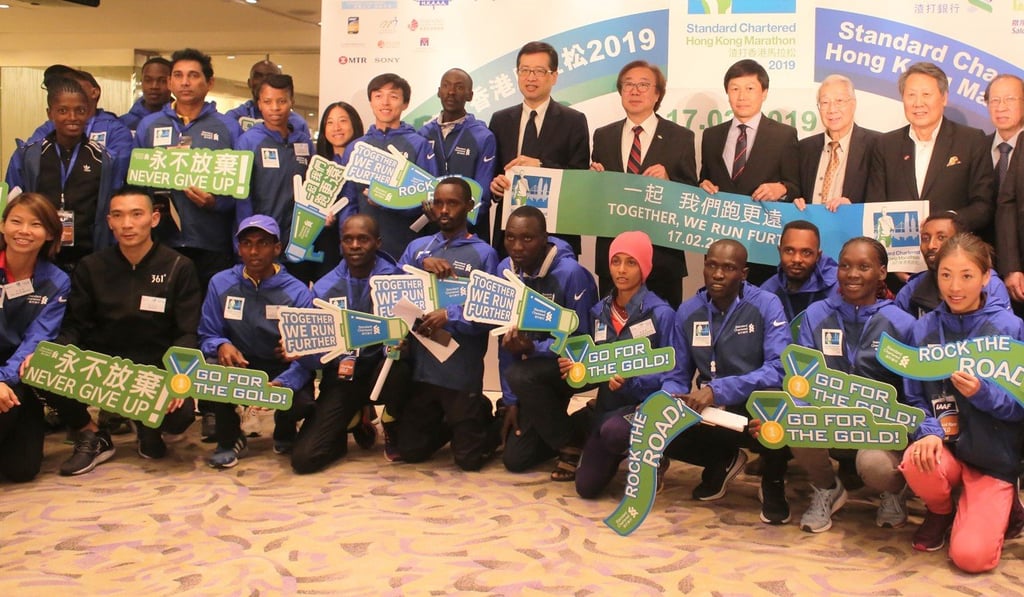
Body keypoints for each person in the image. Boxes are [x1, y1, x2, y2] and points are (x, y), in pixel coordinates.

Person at [39, 185, 200, 475]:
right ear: (109, 221)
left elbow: (187, 332)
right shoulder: (91, 267)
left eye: (136, 214)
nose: (127, 224)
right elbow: (75, 325)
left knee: (180, 416)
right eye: (119, 216)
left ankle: (147, 424)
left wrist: (179, 374)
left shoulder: (179, 266)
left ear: (154, 218)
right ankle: (92, 434)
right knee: (43, 366)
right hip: (102, 368)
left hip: (155, 369)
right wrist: (55, 354)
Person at [900, 233, 1024, 572]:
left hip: (992, 459)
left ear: (986, 277)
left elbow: (1020, 407)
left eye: (967, 275)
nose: (955, 287)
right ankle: (942, 512)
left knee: (971, 558)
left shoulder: (1010, 329)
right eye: (945, 275)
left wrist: (983, 394)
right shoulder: (923, 329)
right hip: (947, 448)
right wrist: (926, 431)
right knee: (916, 459)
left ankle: (1005, 503)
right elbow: (913, 396)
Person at [792, 237, 919, 532]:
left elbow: (913, 392)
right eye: (846, 266)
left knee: (876, 467)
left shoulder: (901, 323)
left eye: (864, 267)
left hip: (878, 428)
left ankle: (893, 492)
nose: (852, 274)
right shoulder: (817, 314)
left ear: (882, 273)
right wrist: (793, 414)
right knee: (794, 424)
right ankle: (827, 488)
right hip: (828, 417)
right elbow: (802, 378)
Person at [663, 239, 792, 524]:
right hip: (713, 409)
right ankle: (720, 462)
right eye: (712, 266)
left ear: (743, 273)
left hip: (753, 404)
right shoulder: (688, 311)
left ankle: (773, 482)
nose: (718, 274)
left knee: (777, 406)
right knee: (659, 418)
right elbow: (677, 374)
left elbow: (780, 368)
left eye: (729, 268)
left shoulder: (766, 304)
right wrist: (666, 399)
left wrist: (718, 389)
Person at [385, 177, 498, 470]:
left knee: (469, 462)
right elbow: (391, 295)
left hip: (460, 372)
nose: (444, 209)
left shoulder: (484, 254)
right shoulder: (417, 248)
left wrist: (450, 315)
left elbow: (489, 313)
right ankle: (457, 421)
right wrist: (419, 266)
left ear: (469, 207)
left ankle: (479, 413)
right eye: (438, 203)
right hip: (423, 371)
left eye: (452, 203)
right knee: (411, 452)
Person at [199, 215, 316, 468]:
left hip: (280, 367)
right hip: (239, 363)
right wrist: (221, 344)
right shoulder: (220, 283)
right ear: (238, 247)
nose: (253, 251)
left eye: (262, 243)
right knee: (212, 367)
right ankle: (229, 440)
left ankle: (285, 431)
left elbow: (308, 353)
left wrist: (286, 380)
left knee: (303, 401)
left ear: (277, 248)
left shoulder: (297, 292)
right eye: (247, 243)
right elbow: (207, 333)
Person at [290, 214, 402, 474]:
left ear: (377, 243)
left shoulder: (395, 281)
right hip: (343, 375)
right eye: (348, 239)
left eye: (362, 239)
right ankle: (354, 420)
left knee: (403, 364)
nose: (354, 245)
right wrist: (295, 357)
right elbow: (313, 350)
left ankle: (392, 419)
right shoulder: (323, 288)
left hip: (385, 371)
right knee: (304, 460)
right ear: (340, 243)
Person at [573, 231, 677, 498]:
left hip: (644, 406)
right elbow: (593, 363)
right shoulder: (598, 312)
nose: (621, 270)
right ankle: (618, 448)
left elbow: (674, 372)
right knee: (586, 487)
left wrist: (634, 380)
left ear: (645, 267)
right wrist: (579, 368)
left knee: (614, 431)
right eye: (615, 261)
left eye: (631, 262)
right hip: (607, 407)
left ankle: (653, 456)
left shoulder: (661, 314)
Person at [498, 206, 598, 480]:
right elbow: (503, 341)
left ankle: (570, 444)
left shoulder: (571, 273)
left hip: (572, 367)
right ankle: (582, 425)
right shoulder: (503, 271)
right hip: (530, 378)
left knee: (521, 373)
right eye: (510, 237)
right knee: (515, 459)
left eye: (527, 239)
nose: (517, 247)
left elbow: (582, 343)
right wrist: (510, 400)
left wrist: (533, 349)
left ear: (545, 238)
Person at [591, 60, 697, 309]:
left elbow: (692, 196)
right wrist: (593, 180)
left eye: (643, 85)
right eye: (628, 85)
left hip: (661, 259)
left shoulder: (680, 137)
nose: (635, 91)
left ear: (657, 93)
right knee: (611, 336)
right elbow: (597, 201)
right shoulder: (603, 136)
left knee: (662, 335)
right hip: (614, 260)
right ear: (620, 92)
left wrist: (670, 181)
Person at [134, 48, 243, 290]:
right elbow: (136, 185)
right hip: (161, 241)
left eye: (193, 75)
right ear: (170, 81)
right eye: (178, 75)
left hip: (211, 242)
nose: (185, 82)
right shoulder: (149, 126)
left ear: (209, 82)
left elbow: (242, 188)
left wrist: (215, 203)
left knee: (207, 312)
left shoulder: (228, 128)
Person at [698, 59, 800, 285]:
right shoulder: (711, 136)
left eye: (749, 89)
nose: (741, 96)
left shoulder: (784, 135)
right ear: (727, 93)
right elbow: (704, 179)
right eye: (735, 89)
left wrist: (781, 188)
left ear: (764, 92)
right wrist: (702, 186)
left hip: (762, 249)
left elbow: (796, 187)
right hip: (720, 249)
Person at [5, 76, 119, 272]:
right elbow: (11, 205)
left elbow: (111, 206)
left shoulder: (104, 158)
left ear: (89, 113)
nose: (72, 117)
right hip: (37, 257)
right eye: (63, 111)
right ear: (50, 114)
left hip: (89, 257)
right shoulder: (29, 155)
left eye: (80, 111)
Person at [866, 62, 995, 235]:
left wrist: (951, 221)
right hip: (899, 253)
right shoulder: (886, 145)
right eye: (911, 95)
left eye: (926, 94)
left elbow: (983, 206)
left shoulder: (971, 140)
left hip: (954, 251)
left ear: (944, 98)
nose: (918, 103)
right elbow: (876, 205)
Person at [488, 41, 590, 255]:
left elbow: (580, 180)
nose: (530, 77)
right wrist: (495, 186)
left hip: (556, 237)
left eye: (539, 71)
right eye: (524, 70)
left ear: (554, 76)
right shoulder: (500, 120)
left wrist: (541, 166)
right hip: (510, 236)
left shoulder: (573, 121)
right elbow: (494, 172)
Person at [0, 194, 69, 482]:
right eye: (16, 222)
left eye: (36, 224)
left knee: (22, 470)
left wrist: (3, 380)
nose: (24, 231)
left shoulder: (56, 280)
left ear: (51, 233)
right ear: (3, 226)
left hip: (15, 375)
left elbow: (37, 339)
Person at [337, 73, 438, 259]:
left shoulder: (418, 144)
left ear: (405, 103)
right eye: (378, 96)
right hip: (361, 249)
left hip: (405, 244)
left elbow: (427, 199)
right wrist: (348, 236)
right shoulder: (356, 147)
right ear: (370, 102)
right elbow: (347, 199)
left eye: (393, 96)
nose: (385, 102)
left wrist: (388, 201)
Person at [234, 74, 316, 283]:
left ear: (292, 102)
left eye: (281, 101)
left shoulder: (305, 143)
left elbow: (315, 191)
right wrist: (248, 239)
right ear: (259, 104)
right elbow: (241, 196)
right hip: (261, 242)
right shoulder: (248, 142)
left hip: (299, 241)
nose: (275, 108)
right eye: (268, 101)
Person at [418, 68, 497, 242]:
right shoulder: (423, 134)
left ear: (470, 95)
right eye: (446, 86)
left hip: (469, 234)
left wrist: (452, 219)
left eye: (459, 87)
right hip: (430, 232)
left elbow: (482, 195)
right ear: (439, 92)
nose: (451, 92)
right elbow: (417, 187)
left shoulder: (483, 136)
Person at [21, 68, 134, 180]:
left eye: (73, 83)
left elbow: (117, 176)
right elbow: (28, 165)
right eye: (63, 111)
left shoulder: (116, 130)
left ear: (94, 92)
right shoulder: (48, 128)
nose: (66, 88)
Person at [897, 212, 1010, 318]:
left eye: (941, 238)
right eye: (925, 239)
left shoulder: (991, 285)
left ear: (959, 241)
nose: (931, 245)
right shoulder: (913, 288)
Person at [794, 75, 880, 210]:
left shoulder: (877, 145)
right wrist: (795, 201)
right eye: (825, 102)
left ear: (853, 104)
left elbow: (881, 199)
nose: (832, 109)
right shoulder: (804, 148)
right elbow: (794, 192)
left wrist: (852, 209)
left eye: (839, 101)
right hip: (811, 227)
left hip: (853, 229)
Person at [313, 101, 365, 279]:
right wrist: (317, 217)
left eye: (343, 120)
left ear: (354, 124)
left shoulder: (367, 161)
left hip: (363, 241)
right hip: (327, 241)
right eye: (330, 122)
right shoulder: (317, 165)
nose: (336, 127)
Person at [760, 220, 838, 323]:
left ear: (818, 256)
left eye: (806, 252)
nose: (797, 259)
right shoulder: (768, 291)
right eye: (789, 250)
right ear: (780, 251)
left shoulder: (839, 291)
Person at [225, 59, 310, 135]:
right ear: (249, 83)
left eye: (270, 77)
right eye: (258, 76)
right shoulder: (233, 118)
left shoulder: (298, 123)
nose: (263, 82)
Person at [120, 57, 172, 133]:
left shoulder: (183, 121)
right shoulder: (123, 124)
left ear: (172, 83)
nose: (154, 86)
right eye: (148, 80)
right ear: (142, 82)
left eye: (162, 81)